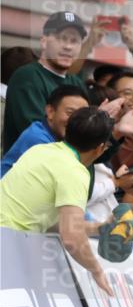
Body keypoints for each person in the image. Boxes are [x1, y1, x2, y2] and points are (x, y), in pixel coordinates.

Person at [0, 107, 118, 296]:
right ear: (100, 148)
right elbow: (71, 236)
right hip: (8, 247)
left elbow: (49, 221)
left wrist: (98, 228)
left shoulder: (40, 150)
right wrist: (97, 270)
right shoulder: (75, 171)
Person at [3, 12, 90, 154]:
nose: (68, 46)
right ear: (44, 41)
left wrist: (112, 128)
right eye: (61, 39)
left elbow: (92, 146)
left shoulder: (77, 83)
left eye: (74, 41)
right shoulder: (27, 76)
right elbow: (37, 137)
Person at [2, 85, 89, 176]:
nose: (76, 121)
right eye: (70, 113)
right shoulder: (39, 140)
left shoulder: (49, 133)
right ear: (50, 111)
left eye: (82, 115)